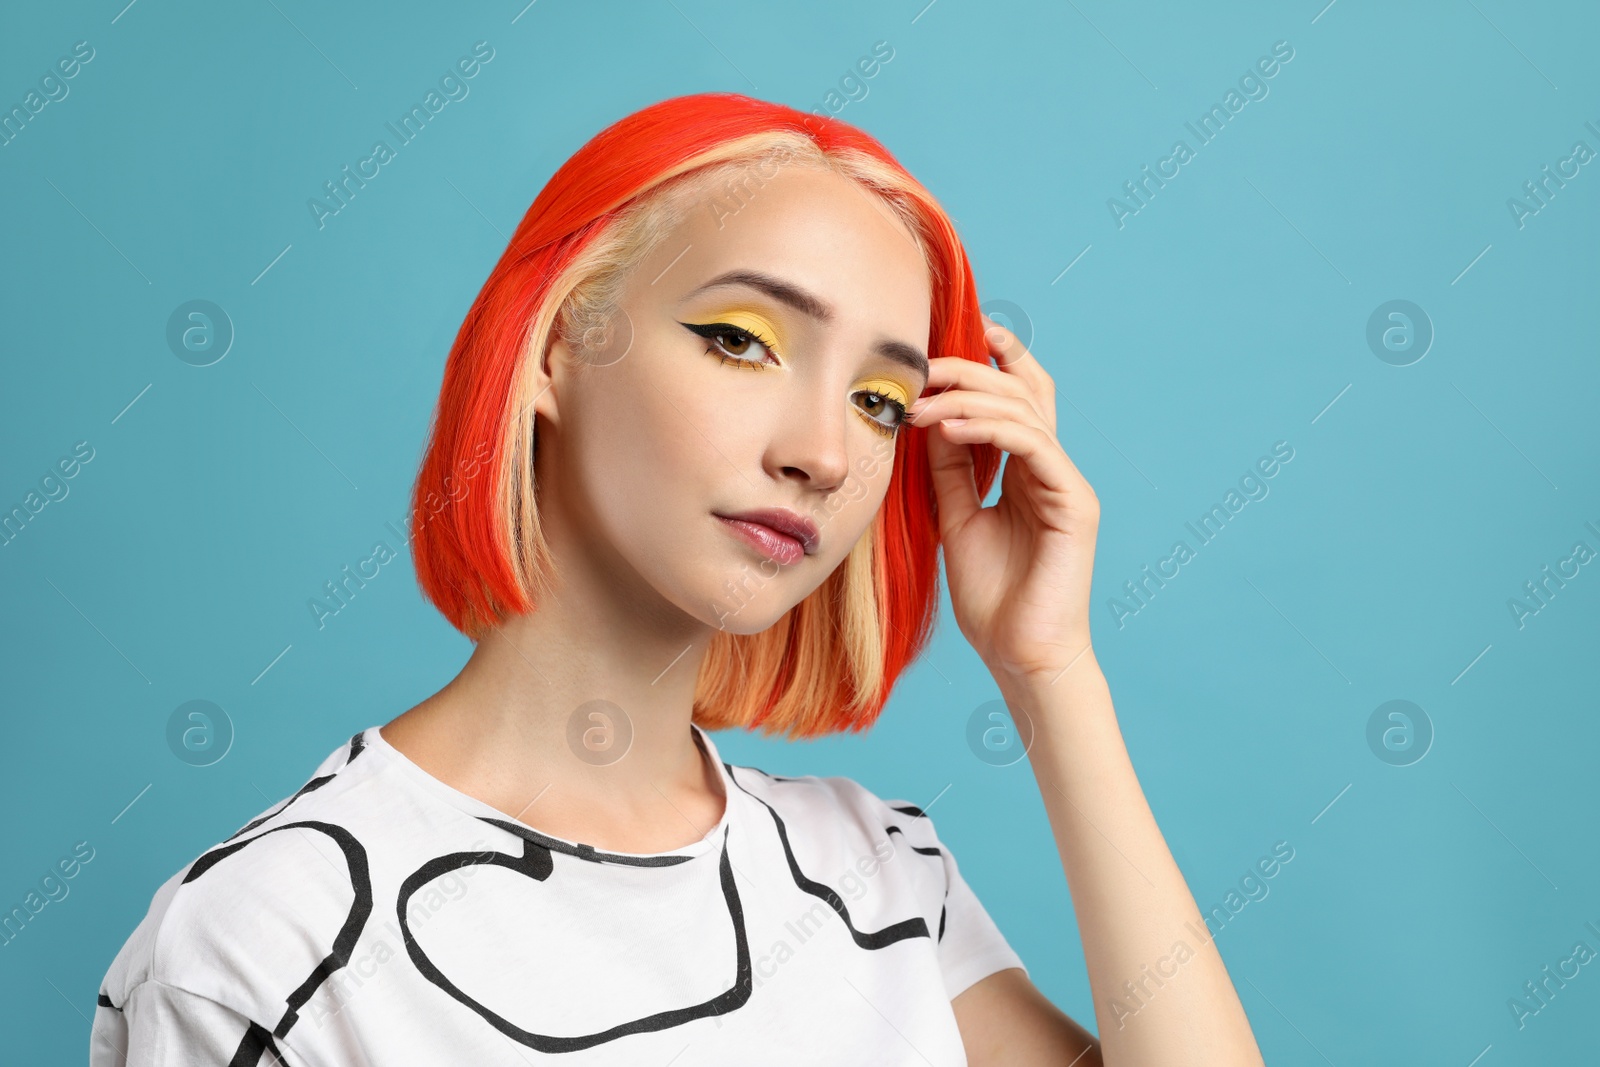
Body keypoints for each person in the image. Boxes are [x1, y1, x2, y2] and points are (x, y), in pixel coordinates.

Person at [90, 92, 1264, 1065]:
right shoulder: (265, 942)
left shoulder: (871, 873)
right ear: (558, 346)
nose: (820, 451)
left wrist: (1048, 670)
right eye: (740, 338)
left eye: (880, 402)